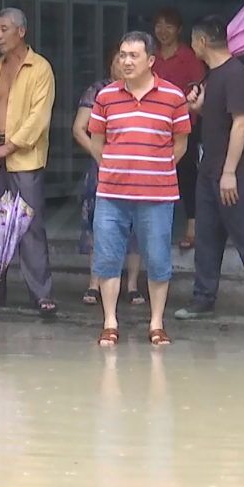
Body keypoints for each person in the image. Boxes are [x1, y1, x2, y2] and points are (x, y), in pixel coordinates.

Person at [88, 31, 191, 347]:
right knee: (107, 258)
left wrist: (154, 169)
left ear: (150, 60)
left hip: (157, 195)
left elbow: (181, 144)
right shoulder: (106, 96)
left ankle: (157, 323)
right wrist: (117, 168)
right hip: (111, 194)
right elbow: (96, 141)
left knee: (158, 259)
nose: (126, 61)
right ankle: (109, 322)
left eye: (134, 55)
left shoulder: (173, 97)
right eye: (122, 55)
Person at [175, 15, 244, 324]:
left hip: (235, 173)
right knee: (207, 238)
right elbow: (218, 114)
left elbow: (240, 124)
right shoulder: (213, 75)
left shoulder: (235, 74)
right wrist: (197, 107)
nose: (192, 47)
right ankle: (203, 298)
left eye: (193, 42)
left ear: (202, 42)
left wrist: (229, 172)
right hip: (209, 170)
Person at [0, 8, 56, 316]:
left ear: (21, 31)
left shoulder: (41, 68)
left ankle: (41, 294)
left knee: (29, 225)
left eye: (3, 29)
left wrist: (6, 148)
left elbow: (38, 118)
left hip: (22, 156)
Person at [74, 45, 144, 307]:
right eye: (118, 59)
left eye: (129, 58)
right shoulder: (99, 90)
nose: (124, 64)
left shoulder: (145, 91)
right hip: (102, 167)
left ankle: (133, 284)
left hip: (136, 169)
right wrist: (100, 155)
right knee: (98, 224)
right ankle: (95, 283)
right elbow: (79, 128)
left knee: (135, 225)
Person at [152, 7, 207, 251]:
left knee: (186, 175)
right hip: (152, 127)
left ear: (180, 30)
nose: (163, 31)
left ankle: (192, 227)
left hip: (183, 125)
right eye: (159, 25)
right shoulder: (149, 55)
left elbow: (198, 90)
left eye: (169, 26)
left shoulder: (189, 56)